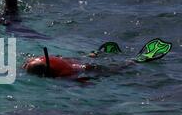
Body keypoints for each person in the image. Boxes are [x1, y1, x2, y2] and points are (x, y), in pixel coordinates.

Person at [23, 39, 172, 80]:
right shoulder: (37, 59)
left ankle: (133, 61)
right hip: (71, 60)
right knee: (86, 58)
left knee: (113, 71)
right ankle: (96, 54)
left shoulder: (61, 76)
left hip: (82, 68)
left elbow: (81, 81)